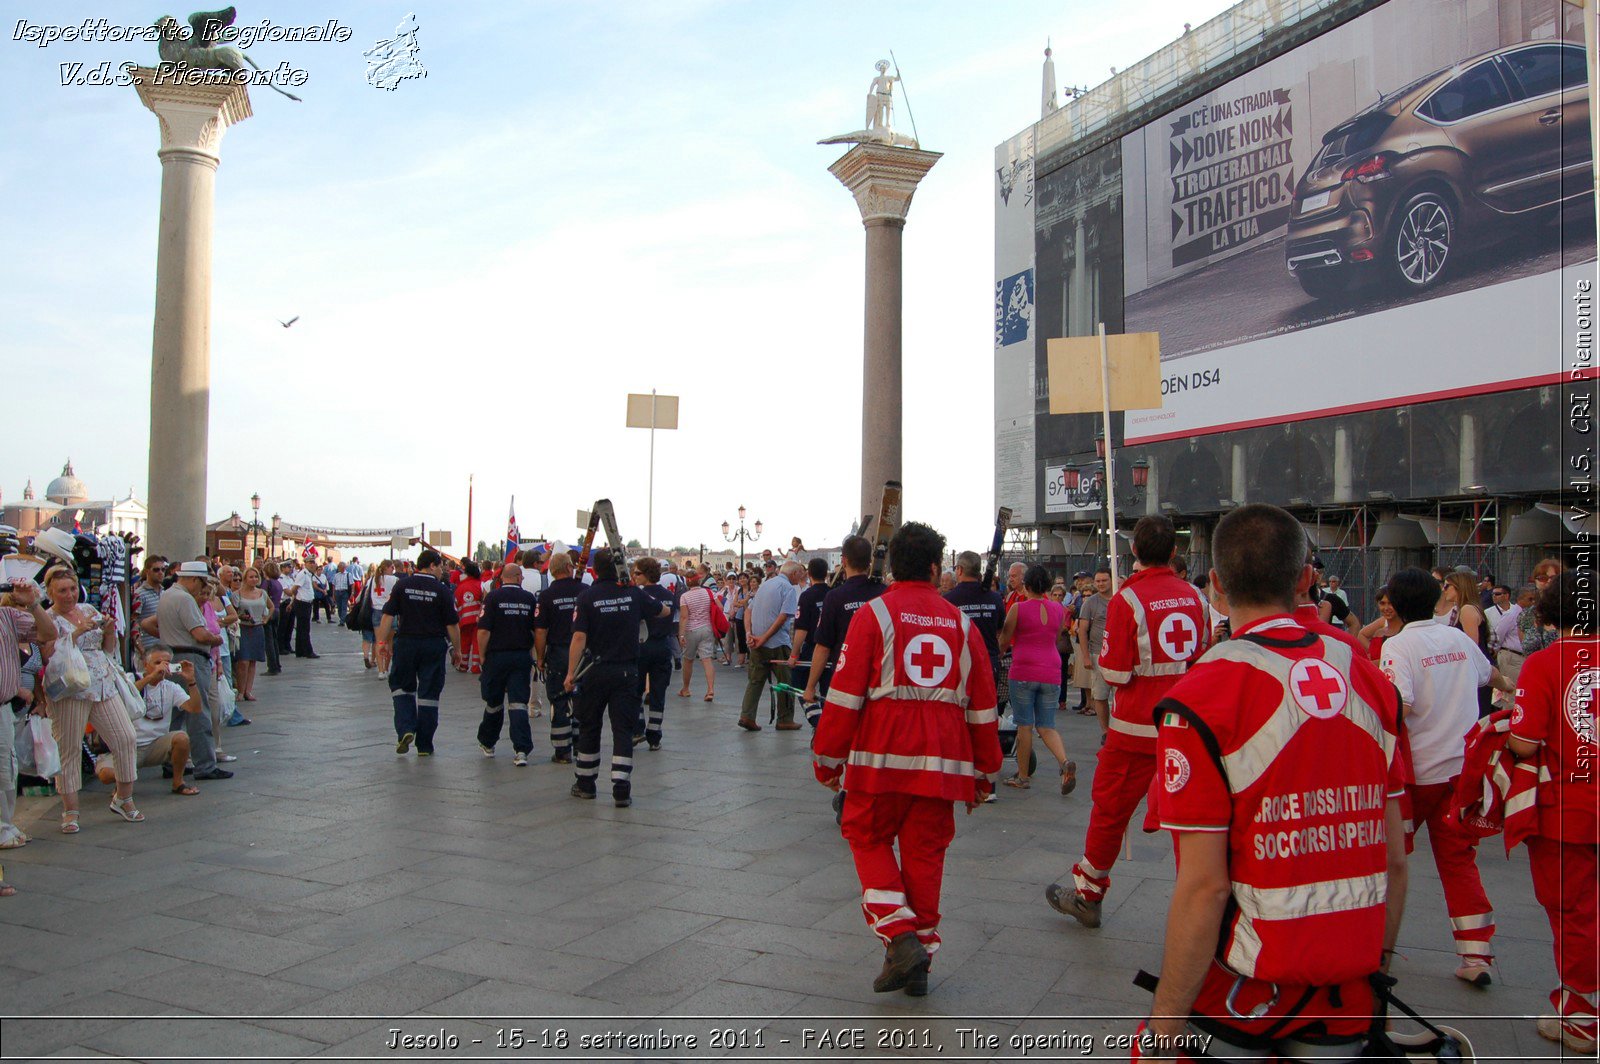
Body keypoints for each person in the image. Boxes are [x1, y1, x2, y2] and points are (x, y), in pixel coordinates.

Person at [1136, 503, 1408, 1061]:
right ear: (1307, 576)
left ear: (1214, 584)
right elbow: (1396, 856)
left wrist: (1165, 1025)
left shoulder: (1202, 695)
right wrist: (1377, 967)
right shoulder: (1366, 674)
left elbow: (1204, 886)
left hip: (1248, 989)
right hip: (1349, 987)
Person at [811, 521, 1002, 996]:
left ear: (893, 565)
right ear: (939, 569)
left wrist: (828, 758)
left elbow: (844, 697)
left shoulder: (873, 616)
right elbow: (982, 706)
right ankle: (921, 961)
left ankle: (898, 936)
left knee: (864, 836)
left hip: (879, 761)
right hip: (943, 764)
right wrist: (985, 771)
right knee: (925, 856)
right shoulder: (962, 625)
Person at [1047, 517, 1209, 928]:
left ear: (1134, 552)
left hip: (1135, 728)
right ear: (1175, 552)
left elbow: (1116, 673)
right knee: (1189, 819)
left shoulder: (1128, 601)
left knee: (1110, 809)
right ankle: (1201, 907)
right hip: (1186, 727)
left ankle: (1088, 893)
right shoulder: (1196, 597)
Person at [1380, 566, 1498, 985]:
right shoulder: (1457, 640)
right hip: (1462, 770)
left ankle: (1375, 949)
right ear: (1435, 600)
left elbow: (1401, 707)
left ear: (1393, 603)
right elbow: (1491, 676)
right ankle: (1476, 955)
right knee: (1459, 860)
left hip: (1417, 776)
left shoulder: (1398, 647)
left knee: (1390, 861)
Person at [1507, 571, 1598, 1053]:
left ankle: (1582, 1016)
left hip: (1568, 808)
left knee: (1574, 913)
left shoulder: (1545, 664)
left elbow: (1525, 742)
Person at [566, 549, 669, 807]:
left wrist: (570, 673)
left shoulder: (587, 597)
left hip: (594, 670)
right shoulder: (633, 594)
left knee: (590, 725)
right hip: (626, 671)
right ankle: (621, 787)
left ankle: (586, 783)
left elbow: (579, 638)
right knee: (622, 728)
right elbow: (664, 611)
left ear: (595, 570)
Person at [44, 568, 142, 831]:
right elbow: (47, 653)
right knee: (70, 749)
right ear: (50, 592)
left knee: (126, 737)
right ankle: (70, 811)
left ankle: (124, 797)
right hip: (71, 686)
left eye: (72, 588)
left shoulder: (88, 609)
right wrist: (75, 633)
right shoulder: (49, 618)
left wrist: (109, 630)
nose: (69, 595)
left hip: (101, 681)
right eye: (62, 590)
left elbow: (108, 649)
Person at [997, 564, 1075, 794]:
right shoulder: (1058, 609)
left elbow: (1005, 639)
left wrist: (999, 654)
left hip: (1023, 670)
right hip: (1051, 670)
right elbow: (1057, 632)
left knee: (1024, 725)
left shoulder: (1018, 609)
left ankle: (1022, 776)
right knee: (1046, 725)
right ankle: (1064, 762)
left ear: (1026, 585)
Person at [376, 549, 461, 757]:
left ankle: (405, 728)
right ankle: (424, 744)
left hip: (406, 643)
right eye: (440, 566)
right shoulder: (441, 590)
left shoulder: (402, 585)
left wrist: (381, 642)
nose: (442, 571)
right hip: (433, 645)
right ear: (432, 565)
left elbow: (387, 615)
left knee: (401, 687)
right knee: (429, 694)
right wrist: (456, 650)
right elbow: (452, 625)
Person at [154, 561, 229, 781]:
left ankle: (169, 760)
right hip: (191, 656)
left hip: (172, 654)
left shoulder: (167, 595)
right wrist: (215, 639)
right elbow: (200, 634)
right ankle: (205, 764)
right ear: (194, 579)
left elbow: (151, 624)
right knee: (198, 711)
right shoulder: (184, 599)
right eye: (202, 582)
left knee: (175, 712)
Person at [0, 580, 56, 867]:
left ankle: (4, 826)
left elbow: (48, 633)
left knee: (5, 771)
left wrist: (33, 602)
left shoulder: (8, 617)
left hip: (3, 707)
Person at [801, 535, 887, 710]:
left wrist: (810, 686)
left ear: (844, 560)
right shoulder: (885, 594)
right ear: (869, 561)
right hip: (881, 677)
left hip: (846, 677)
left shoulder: (835, 597)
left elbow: (823, 646)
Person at [474, 562, 538, 766]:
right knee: (518, 703)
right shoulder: (529, 599)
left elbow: (483, 631)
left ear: (502, 578)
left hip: (496, 657)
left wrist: (482, 655)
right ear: (519, 577)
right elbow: (536, 631)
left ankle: (488, 742)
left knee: (493, 703)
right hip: (520, 656)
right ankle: (521, 750)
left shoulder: (492, 598)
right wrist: (538, 657)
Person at [534, 551, 585, 764]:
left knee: (558, 699)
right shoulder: (585, 591)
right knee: (581, 699)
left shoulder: (546, 596)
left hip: (557, 651)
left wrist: (540, 657)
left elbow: (540, 631)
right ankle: (581, 744)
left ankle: (562, 749)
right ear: (568, 568)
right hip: (582, 653)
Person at [739, 560, 803, 731]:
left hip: (757, 643)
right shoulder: (788, 589)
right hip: (777, 643)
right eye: (800, 573)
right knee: (785, 681)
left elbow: (748, 611)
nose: (802, 576)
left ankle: (747, 715)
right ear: (794, 573)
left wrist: (749, 634)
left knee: (755, 680)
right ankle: (785, 718)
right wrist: (764, 637)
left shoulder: (766, 585)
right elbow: (783, 617)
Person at [130, 647, 200, 796]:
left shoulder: (171, 687)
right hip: (129, 745)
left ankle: (178, 782)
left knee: (181, 738)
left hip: (156, 744)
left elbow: (194, 708)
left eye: (167, 663)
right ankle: (120, 785)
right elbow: (126, 696)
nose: (162, 667)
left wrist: (191, 681)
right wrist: (150, 678)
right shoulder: (131, 679)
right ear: (145, 664)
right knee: (106, 774)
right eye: (157, 662)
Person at [632, 557, 677, 749]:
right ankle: (654, 735)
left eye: (637, 573)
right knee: (659, 692)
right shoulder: (669, 594)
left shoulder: (639, 595)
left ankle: (638, 728)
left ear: (646, 574)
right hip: (663, 645)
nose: (634, 576)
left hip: (642, 646)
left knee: (636, 690)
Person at [1074, 568, 1113, 736]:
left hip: (1119, 655)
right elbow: (1082, 630)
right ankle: (1105, 731)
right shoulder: (1090, 602)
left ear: (1111, 581)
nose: (1101, 584)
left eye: (1104, 580)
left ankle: (1118, 730)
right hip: (1098, 654)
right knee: (1100, 695)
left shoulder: (1121, 598)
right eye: (1098, 581)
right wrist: (1085, 656)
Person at [786, 557, 831, 703]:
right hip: (832, 648)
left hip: (813, 647)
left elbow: (802, 629)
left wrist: (794, 654)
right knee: (827, 690)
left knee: (798, 683)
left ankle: (815, 718)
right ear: (826, 574)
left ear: (809, 574)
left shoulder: (807, 596)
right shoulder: (834, 594)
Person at [675, 572, 719, 702]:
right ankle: (710, 690)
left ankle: (686, 689)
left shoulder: (684, 596)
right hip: (706, 628)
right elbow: (720, 607)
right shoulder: (709, 593)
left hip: (691, 630)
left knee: (688, 660)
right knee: (707, 659)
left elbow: (684, 617)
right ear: (699, 581)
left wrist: (681, 634)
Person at [233, 566, 271, 702]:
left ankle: (248, 691)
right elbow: (233, 611)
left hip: (257, 628)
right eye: (251, 577)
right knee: (243, 661)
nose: (254, 579)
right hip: (243, 628)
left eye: (256, 577)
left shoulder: (262, 593)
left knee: (253, 661)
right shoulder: (237, 594)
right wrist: (241, 616)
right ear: (245, 579)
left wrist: (265, 619)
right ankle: (240, 690)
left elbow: (271, 607)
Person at [1520, 558, 1564, 657]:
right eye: (1542, 578)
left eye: (1554, 578)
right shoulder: (1526, 615)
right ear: (1535, 581)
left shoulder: (1571, 611)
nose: (1548, 581)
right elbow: (1526, 652)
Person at [364, 559, 398, 674]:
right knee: (389, 642)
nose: (393, 570)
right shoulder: (394, 579)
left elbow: (366, 592)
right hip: (389, 612)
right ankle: (387, 668)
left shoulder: (373, 579)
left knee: (379, 642)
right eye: (392, 567)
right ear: (388, 568)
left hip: (376, 611)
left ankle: (380, 670)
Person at [453, 560, 485, 675]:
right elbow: (484, 601)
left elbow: (455, 604)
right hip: (477, 619)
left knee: (464, 642)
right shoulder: (481, 585)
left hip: (464, 620)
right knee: (477, 642)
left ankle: (463, 665)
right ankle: (475, 666)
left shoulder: (460, 587)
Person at [1357, 585, 1402, 662]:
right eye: (1382, 603)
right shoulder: (1379, 633)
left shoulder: (1407, 630)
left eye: (1390, 603)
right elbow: (1362, 635)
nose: (1386, 608)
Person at [289, 558, 317, 658]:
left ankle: (300, 651)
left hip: (307, 603)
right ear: (305, 564)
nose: (312, 565)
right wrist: (292, 602)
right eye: (310, 563)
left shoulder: (308, 575)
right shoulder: (303, 574)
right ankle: (308, 651)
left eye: (313, 562)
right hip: (302, 603)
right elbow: (294, 589)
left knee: (302, 628)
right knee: (304, 629)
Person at [261, 560, 283, 675]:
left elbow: (263, 598)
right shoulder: (278, 583)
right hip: (277, 610)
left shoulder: (267, 582)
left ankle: (272, 666)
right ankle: (277, 664)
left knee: (268, 640)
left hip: (269, 611)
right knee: (274, 639)